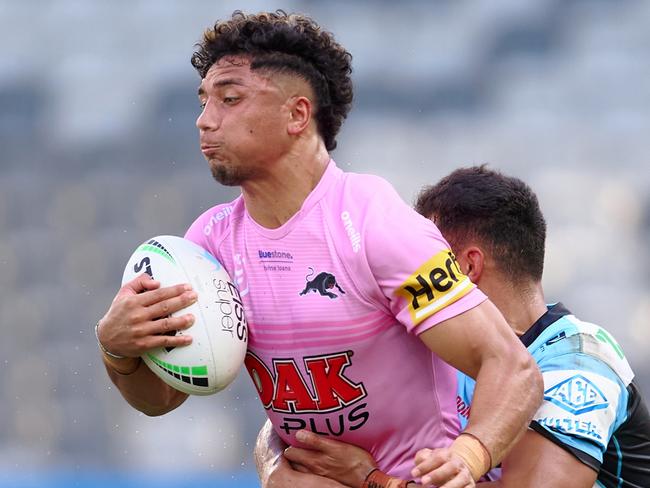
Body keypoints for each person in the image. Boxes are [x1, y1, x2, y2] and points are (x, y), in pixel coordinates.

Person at [95, 12, 542, 487]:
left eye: (230, 99)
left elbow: (514, 370)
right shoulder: (209, 244)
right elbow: (161, 399)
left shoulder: (373, 225)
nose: (204, 122)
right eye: (204, 102)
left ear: (297, 114)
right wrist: (117, 350)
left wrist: (469, 456)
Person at [259, 166, 650, 487]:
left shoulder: (579, 362)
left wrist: (372, 480)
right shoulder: (434, 352)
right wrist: (274, 465)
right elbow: (303, 417)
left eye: (422, 250)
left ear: (465, 267)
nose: (406, 265)